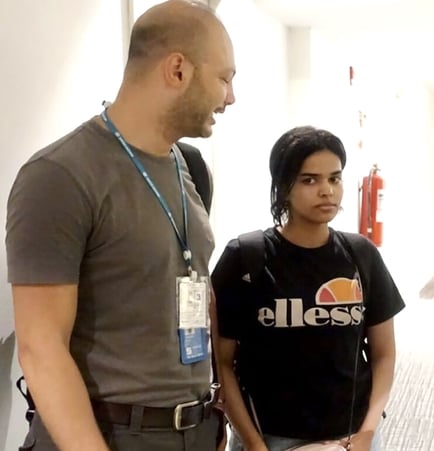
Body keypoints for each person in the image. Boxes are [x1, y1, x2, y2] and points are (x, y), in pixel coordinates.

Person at [5, 1, 236, 450]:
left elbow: (189, 278)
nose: (230, 98)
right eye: (225, 78)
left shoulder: (186, 167)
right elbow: (40, 348)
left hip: (192, 429)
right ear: (177, 70)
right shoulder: (60, 174)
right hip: (108, 434)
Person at [211, 126, 405, 451]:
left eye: (334, 178)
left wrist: (367, 432)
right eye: (309, 180)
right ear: (283, 186)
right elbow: (222, 362)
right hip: (271, 437)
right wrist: (254, 444)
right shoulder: (246, 257)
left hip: (352, 437)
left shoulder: (361, 255)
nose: (326, 190)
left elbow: (384, 354)